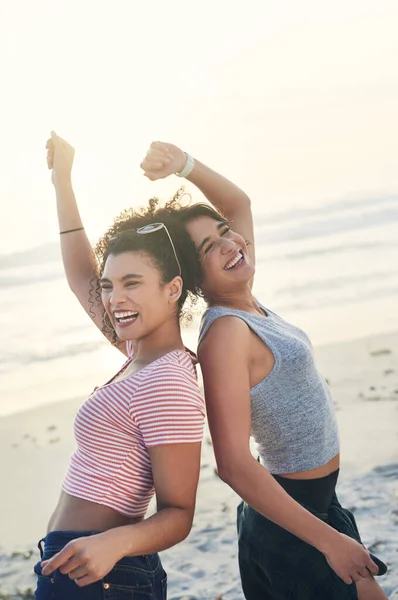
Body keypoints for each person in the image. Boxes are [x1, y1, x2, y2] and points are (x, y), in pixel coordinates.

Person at [140, 141, 389, 600]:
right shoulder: (226, 333)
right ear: (193, 278)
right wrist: (330, 542)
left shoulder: (247, 303)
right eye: (211, 247)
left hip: (315, 506)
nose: (233, 244)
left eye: (226, 232)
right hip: (292, 522)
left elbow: (239, 204)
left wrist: (185, 166)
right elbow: (232, 463)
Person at [34, 132, 205, 599]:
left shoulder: (168, 379)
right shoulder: (138, 354)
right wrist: (62, 181)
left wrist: (111, 544)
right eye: (110, 285)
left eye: (132, 283)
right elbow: (80, 278)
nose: (114, 299)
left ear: (172, 289)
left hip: (106, 572)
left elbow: (179, 513)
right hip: (79, 565)